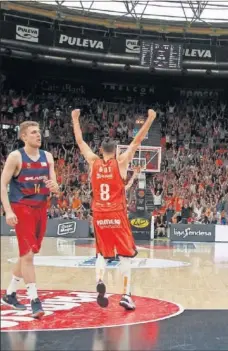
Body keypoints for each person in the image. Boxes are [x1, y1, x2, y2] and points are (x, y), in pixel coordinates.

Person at [72, 108, 157, 311]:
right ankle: (126, 295)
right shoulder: (120, 163)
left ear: (101, 151)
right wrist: (150, 119)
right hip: (116, 213)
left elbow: (80, 142)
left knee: (101, 252)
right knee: (126, 255)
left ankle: (100, 279)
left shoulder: (93, 162)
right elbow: (137, 141)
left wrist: (75, 119)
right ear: (116, 151)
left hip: (99, 213)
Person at [0, 121, 60, 318]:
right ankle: (34, 300)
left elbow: (56, 187)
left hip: (41, 208)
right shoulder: (16, 157)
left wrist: (55, 187)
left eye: (39, 132)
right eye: (33, 132)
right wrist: (8, 211)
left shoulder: (48, 157)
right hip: (22, 207)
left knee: (28, 253)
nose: (38, 135)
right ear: (23, 137)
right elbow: (2, 183)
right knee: (27, 256)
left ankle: (9, 294)